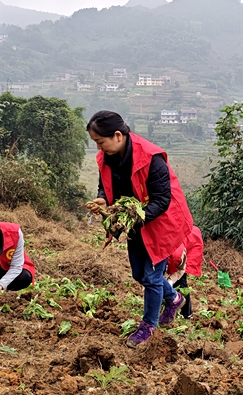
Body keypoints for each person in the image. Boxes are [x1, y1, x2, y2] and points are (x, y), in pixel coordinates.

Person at [86, 110, 194, 348]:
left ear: (117, 135)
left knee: (152, 277)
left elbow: (162, 200)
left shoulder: (151, 158)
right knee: (139, 274)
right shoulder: (107, 158)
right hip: (135, 222)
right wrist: (102, 199)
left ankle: (148, 327)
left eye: (100, 142)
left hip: (161, 222)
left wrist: (134, 217)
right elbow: (104, 184)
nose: (99, 149)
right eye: (95, 144)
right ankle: (174, 298)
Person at [165, 225, 204, 319]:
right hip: (187, 240)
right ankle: (170, 306)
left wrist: (170, 281)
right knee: (173, 283)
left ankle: (187, 313)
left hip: (192, 248)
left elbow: (179, 269)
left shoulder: (176, 253)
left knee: (181, 283)